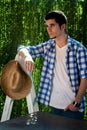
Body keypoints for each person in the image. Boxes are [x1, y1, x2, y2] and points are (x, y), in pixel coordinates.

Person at [17, 11, 87, 120]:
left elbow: (85, 78)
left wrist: (77, 103)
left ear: (63, 26)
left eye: (52, 25)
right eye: (47, 26)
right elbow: (22, 48)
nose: (48, 29)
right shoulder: (48, 46)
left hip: (72, 109)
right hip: (54, 106)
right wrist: (27, 57)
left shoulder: (79, 49)